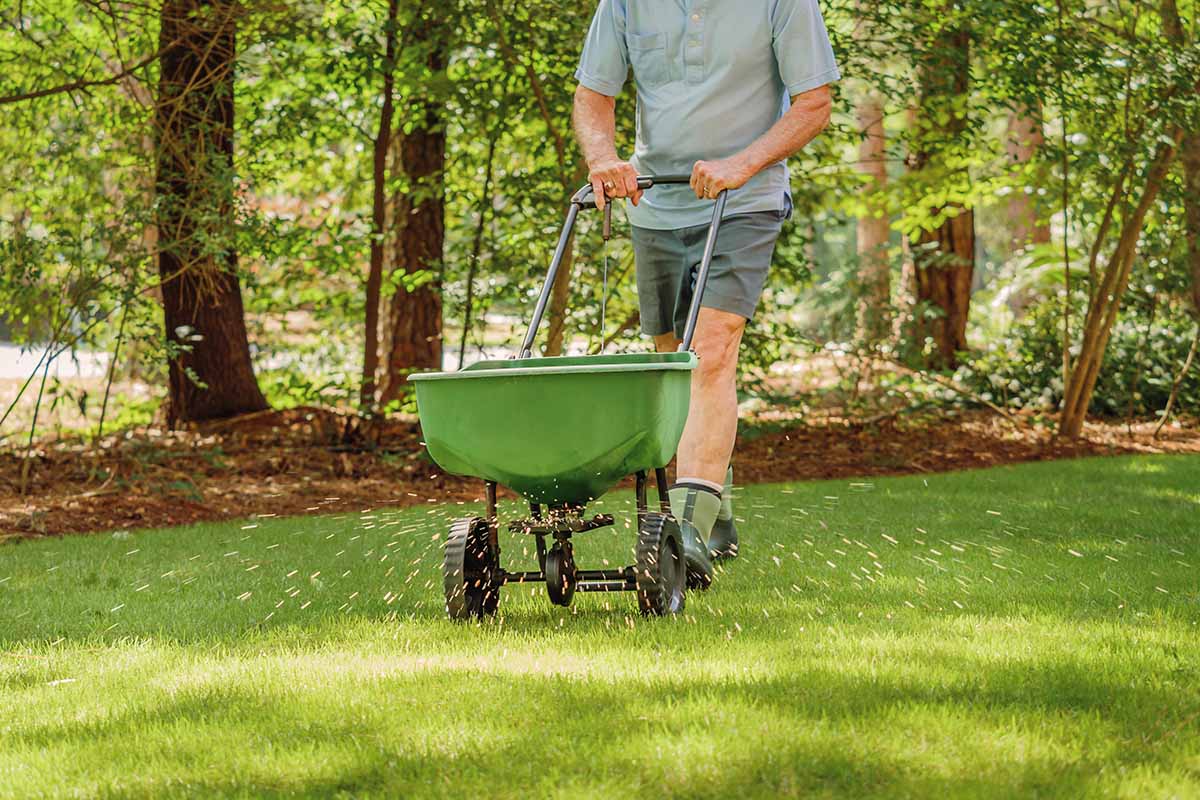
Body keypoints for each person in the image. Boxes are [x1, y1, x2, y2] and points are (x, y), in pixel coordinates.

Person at [572, 0, 840, 587]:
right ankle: (715, 503)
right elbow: (595, 94)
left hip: (744, 200)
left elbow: (814, 103)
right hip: (655, 203)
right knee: (672, 363)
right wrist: (604, 158)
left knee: (710, 351)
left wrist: (743, 164)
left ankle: (686, 532)